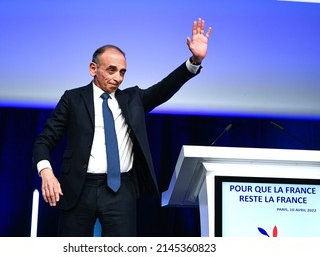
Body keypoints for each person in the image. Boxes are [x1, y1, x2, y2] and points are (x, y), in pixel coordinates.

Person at [32, 17, 212, 236]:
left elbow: (166, 87)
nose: (118, 78)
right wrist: (46, 172)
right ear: (93, 69)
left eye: (122, 72)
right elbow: (44, 141)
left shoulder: (133, 99)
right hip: (80, 189)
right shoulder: (73, 99)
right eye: (111, 70)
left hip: (121, 191)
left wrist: (194, 60)